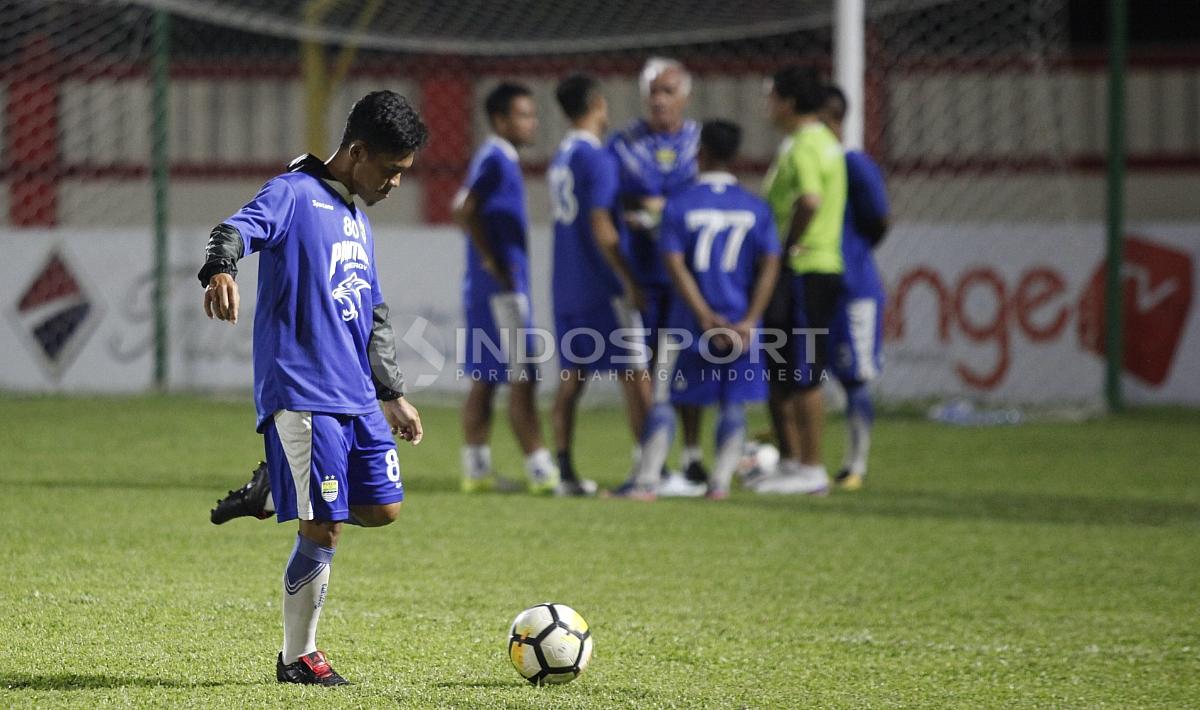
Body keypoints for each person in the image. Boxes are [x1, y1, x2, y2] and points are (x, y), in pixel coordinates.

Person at [199, 90, 428, 685]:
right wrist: (220, 268)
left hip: (357, 396)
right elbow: (234, 230)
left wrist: (392, 393)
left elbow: (372, 313)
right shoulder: (293, 194)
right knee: (324, 525)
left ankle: (274, 488)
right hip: (301, 391)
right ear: (358, 151)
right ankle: (298, 657)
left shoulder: (358, 219)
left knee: (382, 508)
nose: (396, 183)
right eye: (391, 170)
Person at [631, 119, 781, 498]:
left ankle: (646, 482)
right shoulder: (755, 208)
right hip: (740, 323)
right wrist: (750, 320)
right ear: (735, 156)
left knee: (663, 398)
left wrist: (702, 314)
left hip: (688, 323)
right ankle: (719, 484)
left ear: (701, 153)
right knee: (732, 403)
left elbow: (674, 262)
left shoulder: (680, 205)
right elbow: (770, 265)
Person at [452, 82, 560, 495]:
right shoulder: (496, 158)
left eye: (532, 114)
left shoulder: (499, 158)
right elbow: (464, 208)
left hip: (493, 288)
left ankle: (476, 469)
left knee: (487, 377)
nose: (532, 122)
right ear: (500, 120)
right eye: (523, 115)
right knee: (523, 374)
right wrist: (492, 260)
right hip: (500, 289)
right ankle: (541, 469)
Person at [607, 57, 706, 497]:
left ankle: (692, 454)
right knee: (639, 370)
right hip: (641, 274)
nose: (659, 100)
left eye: (668, 91)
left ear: (685, 96)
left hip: (687, 276)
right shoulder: (623, 143)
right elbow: (609, 202)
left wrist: (656, 210)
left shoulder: (699, 142)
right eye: (653, 92)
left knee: (687, 365)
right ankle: (648, 457)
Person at [548, 73, 649, 498]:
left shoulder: (562, 156)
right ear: (597, 104)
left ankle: (565, 472)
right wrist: (629, 278)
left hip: (566, 285)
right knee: (635, 373)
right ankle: (649, 468)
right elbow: (601, 224)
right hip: (602, 286)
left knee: (572, 378)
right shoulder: (597, 157)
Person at [752, 65, 847, 495]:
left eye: (771, 97)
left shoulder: (805, 145)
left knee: (804, 368)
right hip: (813, 268)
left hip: (807, 269)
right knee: (785, 364)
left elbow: (809, 199)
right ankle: (791, 462)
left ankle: (811, 468)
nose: (766, 105)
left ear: (788, 103)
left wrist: (788, 246)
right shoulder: (823, 141)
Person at [819, 85, 890, 491]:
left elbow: (880, 218)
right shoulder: (809, 160)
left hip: (853, 289)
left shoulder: (853, 164)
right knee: (805, 373)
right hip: (816, 283)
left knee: (855, 377)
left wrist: (853, 254)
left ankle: (855, 464)